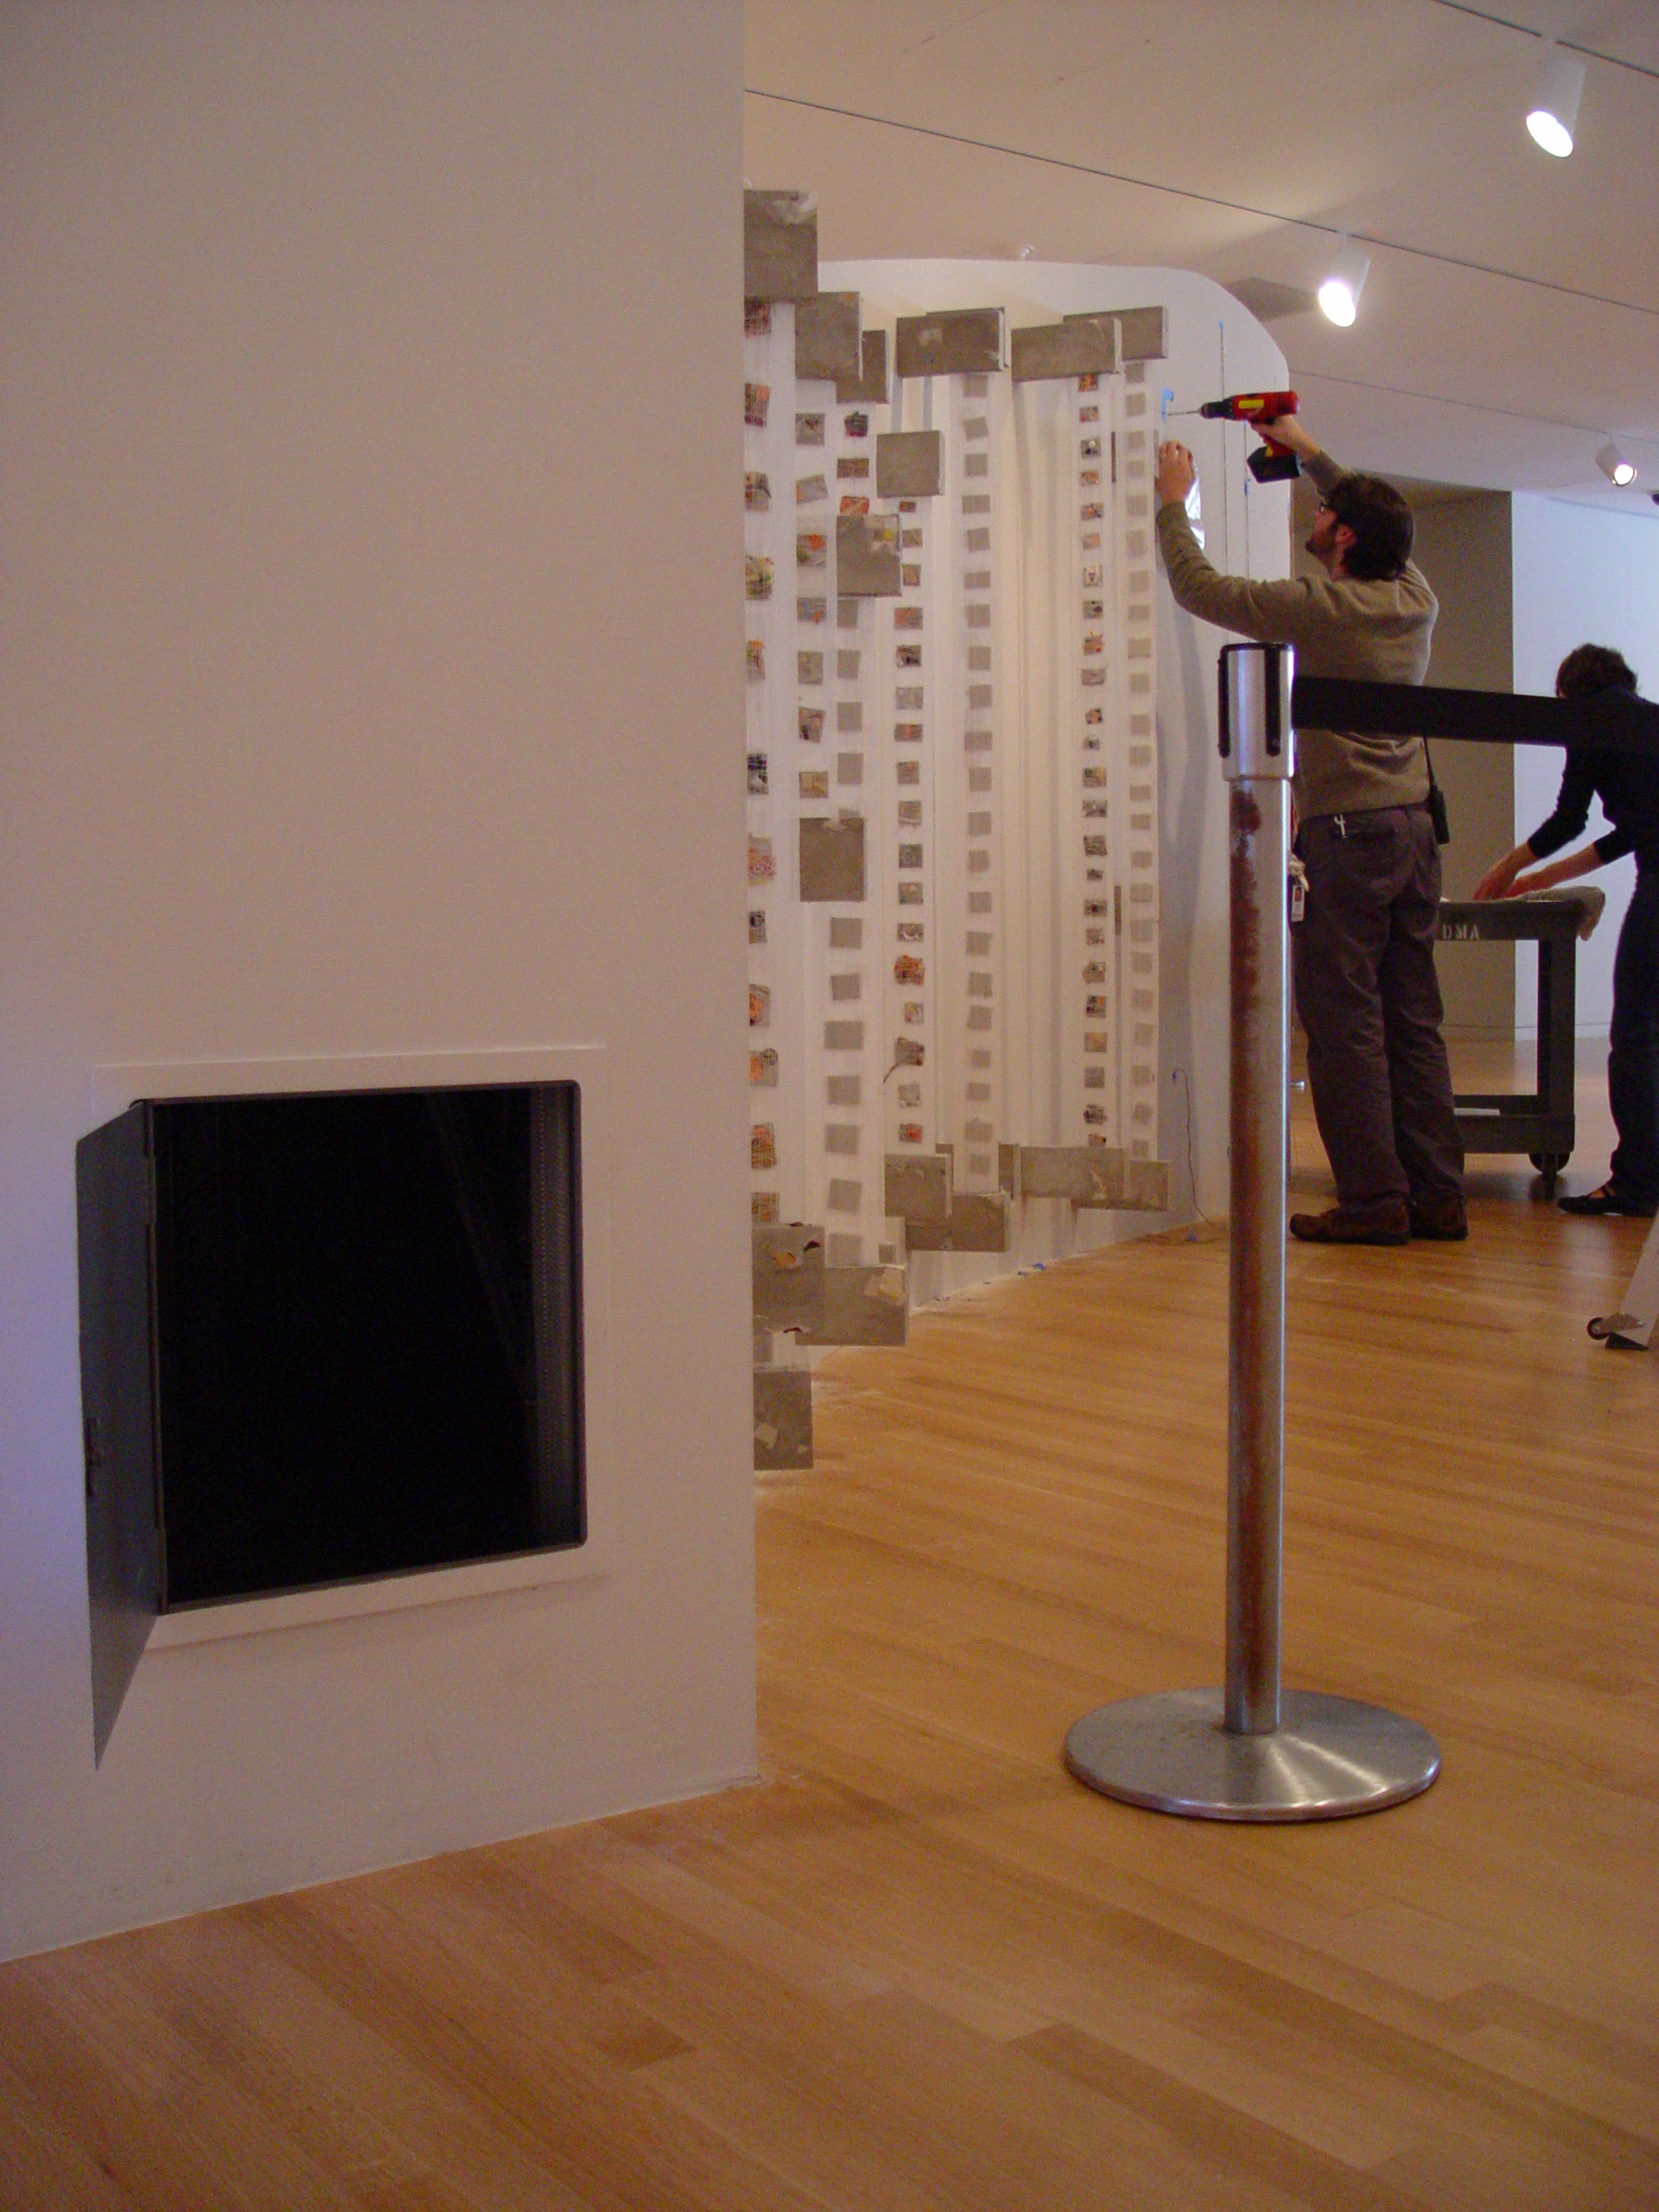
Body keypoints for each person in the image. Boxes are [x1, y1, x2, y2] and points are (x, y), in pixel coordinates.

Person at [1154, 416, 1465, 1244]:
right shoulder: (1415, 599)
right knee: (1414, 1019)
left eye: (1325, 513)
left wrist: (1174, 504)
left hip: (1351, 835)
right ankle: (1438, 1195)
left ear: (1346, 536)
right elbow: (1376, 521)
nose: (1313, 517)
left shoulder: (1320, 608)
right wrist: (1304, 448)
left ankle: (1374, 1201)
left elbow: (1200, 588)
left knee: (1344, 1022)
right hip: (1414, 831)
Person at [1472, 645, 1658, 1218]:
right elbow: (1628, 833)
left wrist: (1506, 867)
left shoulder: (1591, 720)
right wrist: (1536, 880)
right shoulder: (1647, 718)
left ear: (1569, 694)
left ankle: (1636, 1184)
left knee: (1634, 1034)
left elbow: (1569, 819)